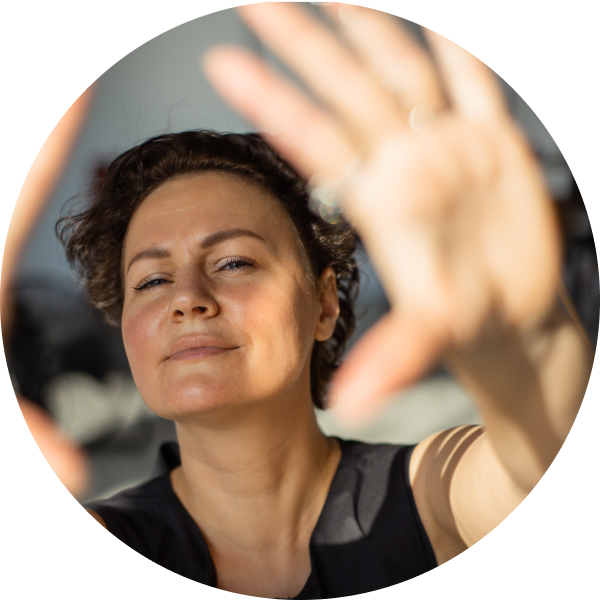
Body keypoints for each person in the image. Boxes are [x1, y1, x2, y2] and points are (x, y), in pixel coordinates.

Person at [14, 2, 594, 597]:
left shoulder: (429, 493)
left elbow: (531, 469)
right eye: (152, 281)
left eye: (234, 262)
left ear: (324, 305)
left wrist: (530, 343)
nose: (187, 299)